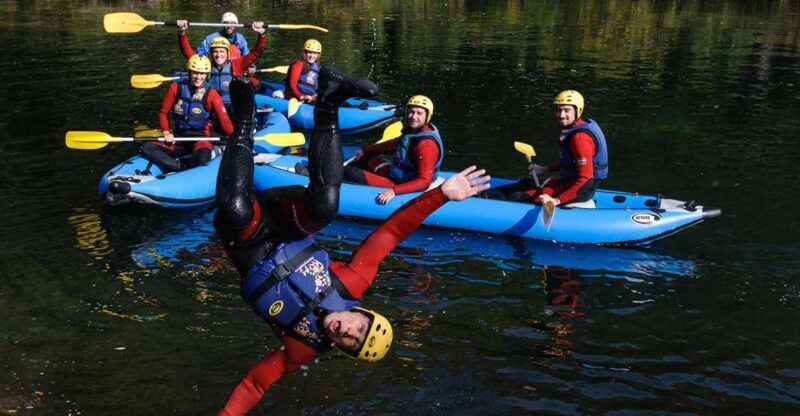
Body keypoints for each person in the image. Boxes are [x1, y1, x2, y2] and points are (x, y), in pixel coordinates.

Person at [214, 74, 489, 415]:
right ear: (360, 312)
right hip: (288, 221)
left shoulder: (303, 348)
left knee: (235, 210)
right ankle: (330, 102)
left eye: (351, 342)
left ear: (343, 349)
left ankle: (242, 122)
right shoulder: (352, 282)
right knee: (325, 207)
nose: (347, 330)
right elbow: (391, 233)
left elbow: (255, 384)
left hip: (246, 240)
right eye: (359, 327)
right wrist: (441, 195)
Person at [485, 90, 608, 206]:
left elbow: (586, 180)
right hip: (569, 182)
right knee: (526, 183)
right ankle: (484, 196)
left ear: (577, 111)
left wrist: (556, 200)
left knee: (517, 197)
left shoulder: (580, 139)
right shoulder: (579, 128)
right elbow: (570, 161)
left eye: (567, 110)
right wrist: (544, 169)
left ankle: (484, 206)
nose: (561, 115)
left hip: (581, 190)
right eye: (559, 110)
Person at [342, 95, 444, 205]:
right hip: (396, 174)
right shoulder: (414, 131)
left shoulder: (426, 145)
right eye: (411, 112)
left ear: (427, 116)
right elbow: (393, 145)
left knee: (350, 173)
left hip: (400, 183)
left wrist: (394, 191)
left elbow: (424, 181)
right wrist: (366, 150)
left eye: (419, 113)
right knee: (363, 158)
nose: (414, 116)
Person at [140, 55, 233, 173]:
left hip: (200, 138)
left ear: (207, 75)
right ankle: (179, 166)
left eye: (202, 73)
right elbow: (163, 114)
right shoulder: (176, 87)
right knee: (146, 147)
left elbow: (224, 121)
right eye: (195, 73)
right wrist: (166, 132)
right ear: (189, 72)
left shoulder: (212, 94)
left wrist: (234, 136)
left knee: (203, 156)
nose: (198, 77)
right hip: (179, 137)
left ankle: (176, 166)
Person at [177, 19, 266, 112]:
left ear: (227, 53)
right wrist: (182, 33)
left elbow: (256, 53)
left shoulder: (237, 64)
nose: (218, 55)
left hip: (233, 107)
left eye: (222, 51)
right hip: (212, 108)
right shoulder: (205, 65)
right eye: (215, 51)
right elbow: (188, 53)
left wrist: (261, 34)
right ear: (211, 53)